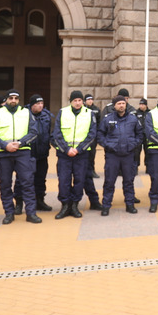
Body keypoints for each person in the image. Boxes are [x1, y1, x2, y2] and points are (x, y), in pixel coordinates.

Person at [0, 89, 41, 224]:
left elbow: (34, 131)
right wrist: (5, 145)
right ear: (6, 100)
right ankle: (9, 213)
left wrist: (20, 143)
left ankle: (31, 213)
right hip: (3, 153)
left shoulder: (26, 112)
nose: (14, 101)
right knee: (5, 184)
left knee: (27, 183)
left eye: (16, 98)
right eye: (11, 98)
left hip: (22, 152)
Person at [52, 90, 97, 220]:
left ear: (82, 101)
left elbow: (92, 135)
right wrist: (67, 149)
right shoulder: (63, 112)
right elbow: (57, 134)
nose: (77, 103)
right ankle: (65, 205)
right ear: (70, 101)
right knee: (64, 181)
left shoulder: (89, 114)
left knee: (79, 180)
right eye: (75, 101)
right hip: (64, 154)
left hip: (81, 154)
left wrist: (79, 149)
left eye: (79, 100)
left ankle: (75, 205)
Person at [97, 95, 144, 215]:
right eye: (119, 104)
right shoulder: (107, 119)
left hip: (128, 155)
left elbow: (140, 134)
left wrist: (133, 145)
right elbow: (100, 135)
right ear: (114, 106)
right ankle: (106, 205)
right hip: (113, 155)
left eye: (123, 103)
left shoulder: (133, 119)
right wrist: (108, 145)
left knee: (129, 181)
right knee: (109, 181)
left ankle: (130, 204)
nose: (121, 105)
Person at [27, 94, 54, 212]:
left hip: (42, 153)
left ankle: (40, 200)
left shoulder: (46, 116)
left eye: (42, 103)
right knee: (25, 179)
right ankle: (19, 202)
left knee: (41, 178)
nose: (40, 106)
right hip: (28, 153)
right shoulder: (24, 115)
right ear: (32, 105)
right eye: (37, 104)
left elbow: (49, 132)